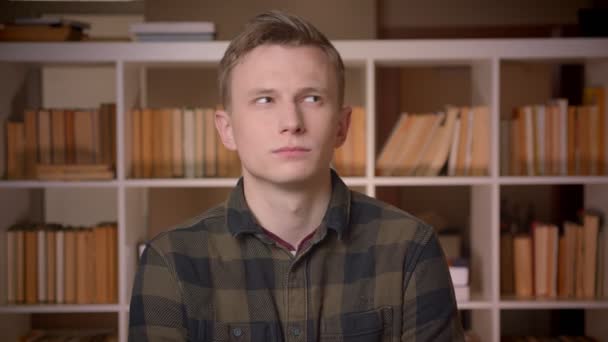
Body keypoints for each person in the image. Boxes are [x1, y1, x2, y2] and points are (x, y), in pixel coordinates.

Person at [129, 10, 465, 341]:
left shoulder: (411, 249)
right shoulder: (170, 261)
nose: (291, 121)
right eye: (265, 100)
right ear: (227, 129)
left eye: (312, 98)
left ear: (342, 125)